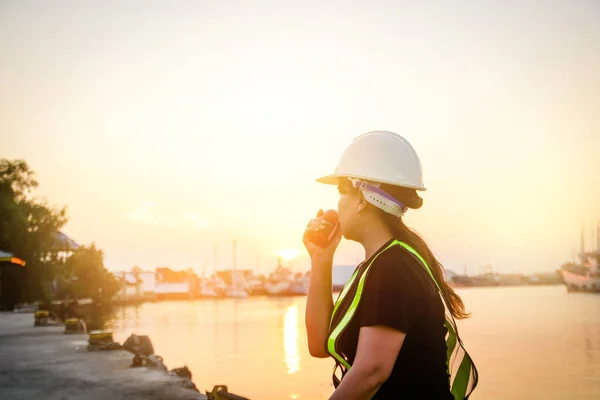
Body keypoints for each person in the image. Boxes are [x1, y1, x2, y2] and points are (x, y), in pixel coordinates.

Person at [303, 131, 478, 399]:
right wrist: (321, 259)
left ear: (362, 198)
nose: (337, 203)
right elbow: (318, 345)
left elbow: (372, 371)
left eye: (341, 191)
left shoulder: (394, 268)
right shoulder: (377, 265)